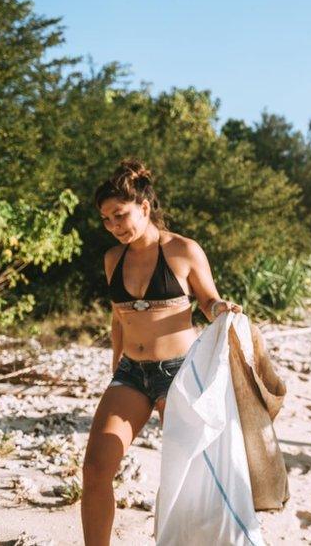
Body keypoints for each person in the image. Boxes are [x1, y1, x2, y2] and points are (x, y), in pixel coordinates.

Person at [82, 159, 241, 546]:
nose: (114, 226)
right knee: (95, 470)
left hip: (180, 375)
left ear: (145, 208)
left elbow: (208, 300)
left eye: (120, 215)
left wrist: (222, 309)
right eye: (106, 220)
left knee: (185, 480)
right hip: (131, 375)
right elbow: (119, 319)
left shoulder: (182, 250)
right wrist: (115, 367)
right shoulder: (112, 259)